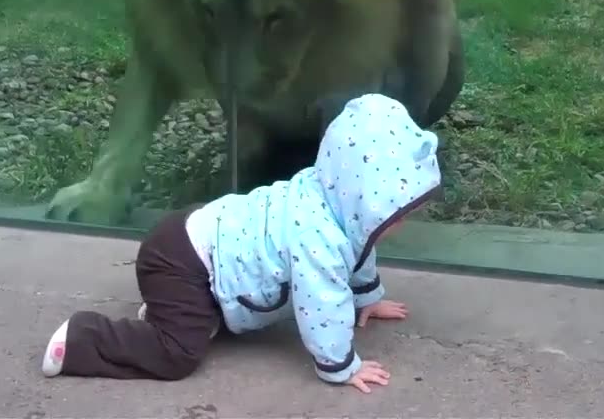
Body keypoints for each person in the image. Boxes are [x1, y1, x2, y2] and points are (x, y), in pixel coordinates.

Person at [39, 93, 443, 394]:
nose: (400, 223)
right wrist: (342, 366)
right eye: (394, 213)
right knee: (177, 354)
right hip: (182, 260)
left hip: (198, 238)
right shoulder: (316, 238)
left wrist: (367, 298)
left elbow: (359, 248)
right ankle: (80, 339)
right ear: (358, 199)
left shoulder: (332, 201)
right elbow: (322, 302)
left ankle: (177, 307)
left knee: (203, 321)